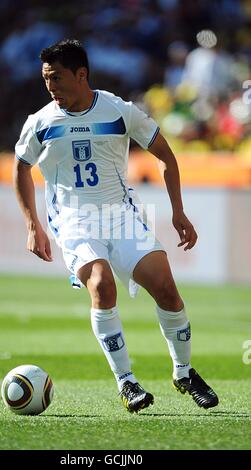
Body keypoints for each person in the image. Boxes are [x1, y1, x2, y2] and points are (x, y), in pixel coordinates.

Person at [14, 39, 219, 413]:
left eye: (57, 78)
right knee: (101, 284)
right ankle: (127, 382)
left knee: (167, 291)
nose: (51, 87)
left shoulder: (119, 111)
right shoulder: (40, 123)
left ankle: (184, 372)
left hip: (122, 217)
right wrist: (32, 224)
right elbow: (21, 168)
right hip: (75, 221)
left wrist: (178, 211)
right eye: (46, 79)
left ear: (81, 75)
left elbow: (166, 156)